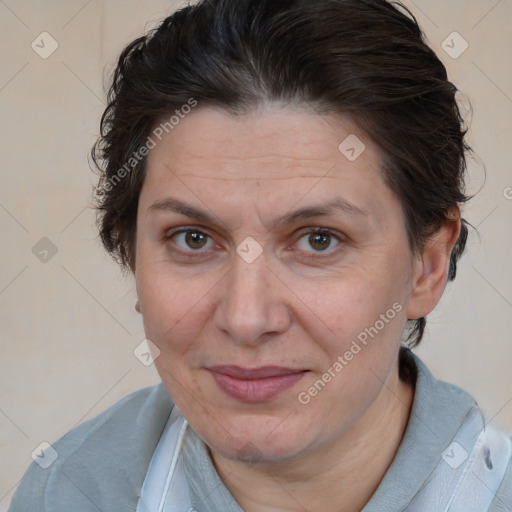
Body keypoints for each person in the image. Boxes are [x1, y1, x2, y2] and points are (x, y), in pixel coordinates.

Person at [8, 0, 512, 510]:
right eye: (193, 239)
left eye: (319, 239)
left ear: (427, 264)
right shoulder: (66, 492)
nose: (246, 319)